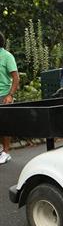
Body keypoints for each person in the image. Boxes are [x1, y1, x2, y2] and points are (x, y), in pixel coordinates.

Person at [0, 31, 19, 165]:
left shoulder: (7, 56)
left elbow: (16, 77)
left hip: (3, 95)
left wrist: (10, 95)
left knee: (5, 125)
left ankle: (6, 152)